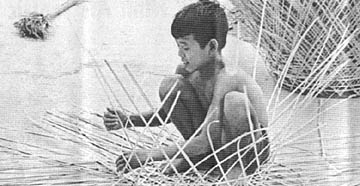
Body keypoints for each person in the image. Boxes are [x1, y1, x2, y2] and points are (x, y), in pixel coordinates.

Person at [103, 0, 269, 178]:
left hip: (249, 151)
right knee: (171, 85)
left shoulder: (229, 77)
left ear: (212, 46)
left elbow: (207, 136)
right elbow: (167, 111)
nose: (180, 54)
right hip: (212, 142)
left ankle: (236, 169)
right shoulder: (188, 71)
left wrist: (150, 155)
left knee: (234, 101)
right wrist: (130, 120)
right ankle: (200, 156)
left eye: (186, 47)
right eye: (178, 47)